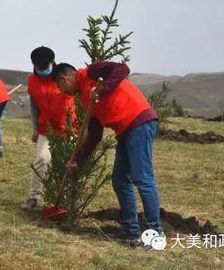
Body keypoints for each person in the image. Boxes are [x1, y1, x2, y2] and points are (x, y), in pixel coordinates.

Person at [53, 61, 163, 248]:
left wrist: (102, 88)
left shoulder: (91, 72)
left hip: (139, 121)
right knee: (120, 181)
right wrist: (77, 161)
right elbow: (95, 135)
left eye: (60, 86)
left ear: (65, 78)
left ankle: (155, 235)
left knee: (142, 178)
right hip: (125, 130)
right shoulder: (85, 100)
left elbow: (122, 69)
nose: (62, 91)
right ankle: (132, 233)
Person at [21, 47, 76, 211]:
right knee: (42, 159)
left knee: (68, 164)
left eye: (45, 67)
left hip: (69, 128)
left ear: (52, 62)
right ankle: (33, 197)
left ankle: (66, 200)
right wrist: (35, 128)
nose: (43, 71)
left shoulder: (63, 77)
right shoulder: (32, 81)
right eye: (39, 68)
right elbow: (34, 106)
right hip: (46, 128)